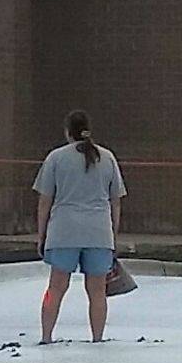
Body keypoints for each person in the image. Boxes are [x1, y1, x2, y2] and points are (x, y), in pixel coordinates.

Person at [33, 110, 127, 344]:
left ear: (68, 132)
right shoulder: (107, 158)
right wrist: (113, 236)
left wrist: (41, 235)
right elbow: (115, 201)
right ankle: (97, 338)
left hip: (63, 232)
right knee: (97, 291)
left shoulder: (56, 158)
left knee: (55, 288)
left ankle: (46, 336)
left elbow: (45, 201)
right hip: (98, 233)